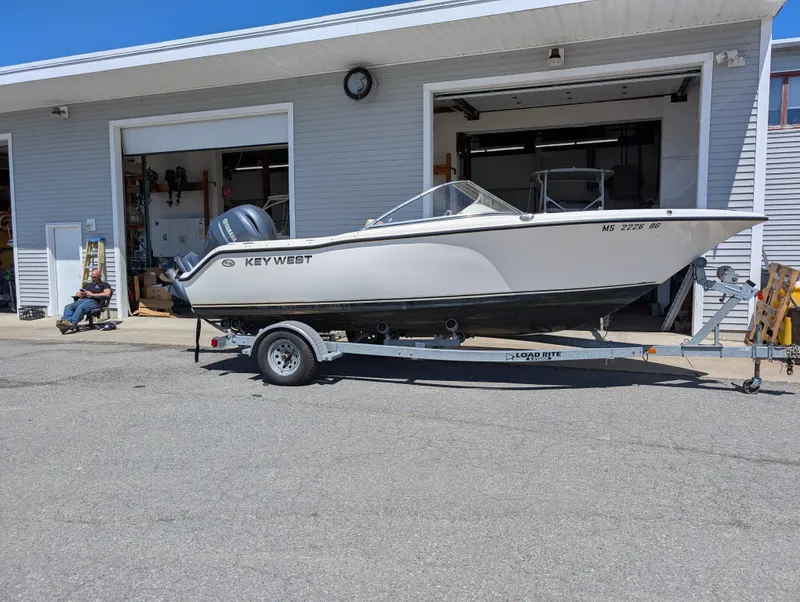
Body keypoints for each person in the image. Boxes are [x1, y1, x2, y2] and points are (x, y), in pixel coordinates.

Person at [56, 269, 112, 333]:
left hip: (94, 301)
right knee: (68, 307)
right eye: (92, 277)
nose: (93, 278)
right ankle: (65, 322)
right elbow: (77, 293)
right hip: (84, 299)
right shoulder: (88, 284)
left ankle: (72, 324)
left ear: (100, 276)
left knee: (81, 307)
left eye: (95, 277)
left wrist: (92, 294)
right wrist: (80, 294)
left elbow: (107, 294)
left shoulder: (104, 284)